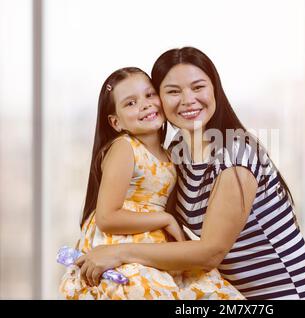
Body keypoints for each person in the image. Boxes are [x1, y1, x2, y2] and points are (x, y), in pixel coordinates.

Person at [75, 48, 305, 300]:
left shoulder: (235, 154)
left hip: (292, 293)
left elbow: (210, 252)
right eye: (173, 91)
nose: (188, 100)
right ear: (160, 99)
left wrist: (118, 253)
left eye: (198, 87)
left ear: (214, 89)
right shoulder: (176, 154)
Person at [59, 66, 244, 300]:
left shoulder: (171, 153)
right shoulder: (124, 148)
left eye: (149, 95)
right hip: (120, 239)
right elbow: (107, 217)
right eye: (130, 103)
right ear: (116, 122)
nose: (145, 105)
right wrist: (165, 219)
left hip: (150, 242)